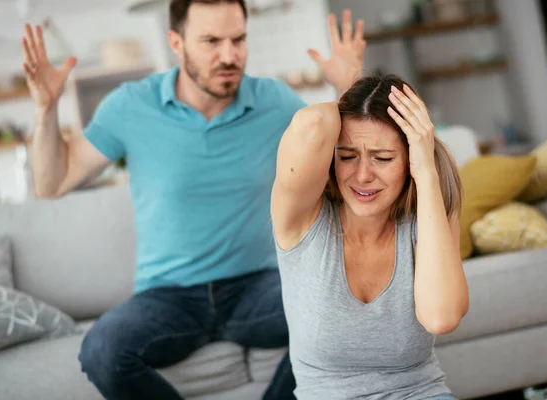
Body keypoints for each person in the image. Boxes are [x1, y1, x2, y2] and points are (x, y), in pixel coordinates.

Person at [20, 0, 366, 398]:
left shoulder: (274, 102)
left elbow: (344, 164)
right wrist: (45, 109)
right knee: (102, 350)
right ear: (176, 42)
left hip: (258, 287)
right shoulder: (131, 105)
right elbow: (51, 183)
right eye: (211, 41)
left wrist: (347, 87)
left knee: (342, 310)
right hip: (168, 296)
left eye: (238, 40)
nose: (229, 55)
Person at [270, 74, 469, 399]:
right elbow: (312, 124)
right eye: (347, 156)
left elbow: (441, 317)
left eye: (383, 158)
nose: (362, 175)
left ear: (409, 159)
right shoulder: (303, 217)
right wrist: (352, 93)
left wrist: (427, 172)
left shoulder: (428, 214)